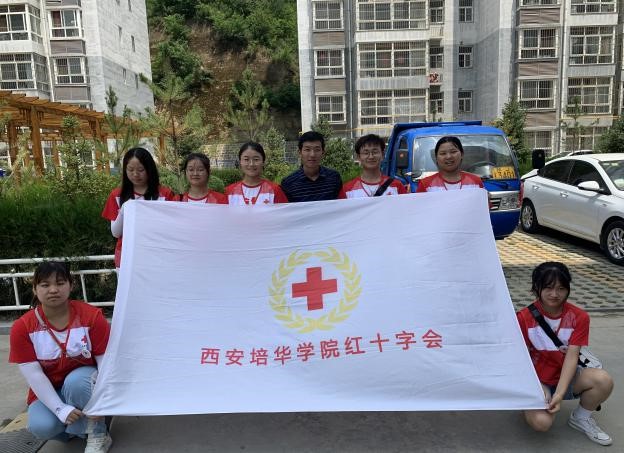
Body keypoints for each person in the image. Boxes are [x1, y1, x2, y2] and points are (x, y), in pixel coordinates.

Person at [9, 261, 112, 452]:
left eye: (60, 283)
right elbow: (34, 375)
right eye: (45, 284)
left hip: (83, 385)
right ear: (35, 289)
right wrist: (60, 409)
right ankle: (77, 429)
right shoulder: (22, 328)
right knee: (41, 426)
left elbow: (105, 362)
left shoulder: (91, 317)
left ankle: (98, 433)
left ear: (71, 285)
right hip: (50, 389)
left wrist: (102, 399)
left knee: (77, 381)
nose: (53, 290)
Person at [517, 262, 613, 446]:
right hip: (537, 379)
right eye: (548, 288)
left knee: (603, 380)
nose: (555, 294)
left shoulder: (579, 317)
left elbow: (572, 357)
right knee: (542, 423)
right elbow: (519, 359)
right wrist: (537, 386)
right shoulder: (523, 318)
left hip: (566, 376)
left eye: (561, 288)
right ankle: (527, 402)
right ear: (536, 287)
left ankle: (581, 418)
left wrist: (559, 394)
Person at [101, 147, 176, 268]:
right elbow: (116, 233)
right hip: (127, 257)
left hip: (158, 257)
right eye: (130, 170)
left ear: (149, 169)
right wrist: (124, 209)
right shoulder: (117, 195)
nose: (135, 174)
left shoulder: (165, 194)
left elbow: (171, 229)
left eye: (141, 170)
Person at [280, 131, 342, 202]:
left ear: (323, 153)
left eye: (317, 150)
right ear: (299, 153)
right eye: (307, 150)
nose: (312, 155)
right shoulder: (288, 183)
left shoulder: (334, 178)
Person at [339, 134, 406, 198]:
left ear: (382, 155)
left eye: (375, 152)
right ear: (359, 157)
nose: (371, 156)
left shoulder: (397, 186)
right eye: (366, 153)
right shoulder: (347, 190)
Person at [415, 136, 484, 192]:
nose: (448, 157)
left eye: (453, 152)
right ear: (436, 157)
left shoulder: (476, 182)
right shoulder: (425, 184)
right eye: (443, 153)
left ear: (462, 154)